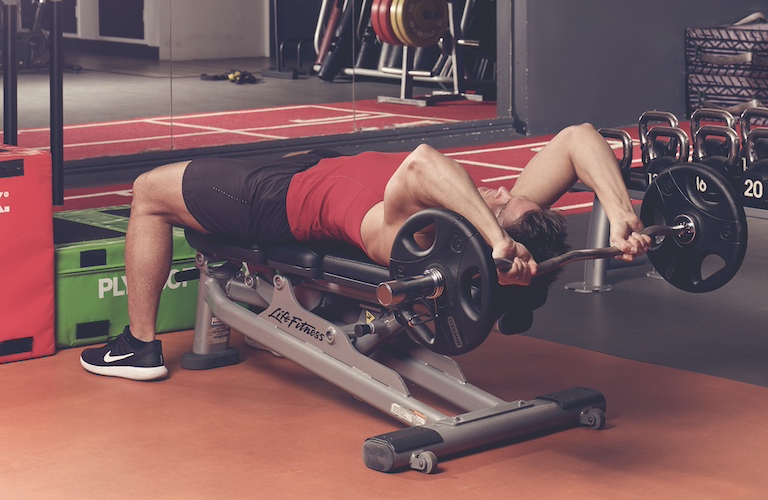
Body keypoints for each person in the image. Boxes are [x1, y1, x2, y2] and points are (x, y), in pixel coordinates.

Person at [80, 123, 651, 381]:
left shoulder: (423, 235)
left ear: (494, 240)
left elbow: (423, 160)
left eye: (505, 206)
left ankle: (139, 349)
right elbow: (578, 138)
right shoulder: (483, 219)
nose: (505, 191)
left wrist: (498, 237)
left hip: (281, 202)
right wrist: (623, 216)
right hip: (321, 168)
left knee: (148, 191)